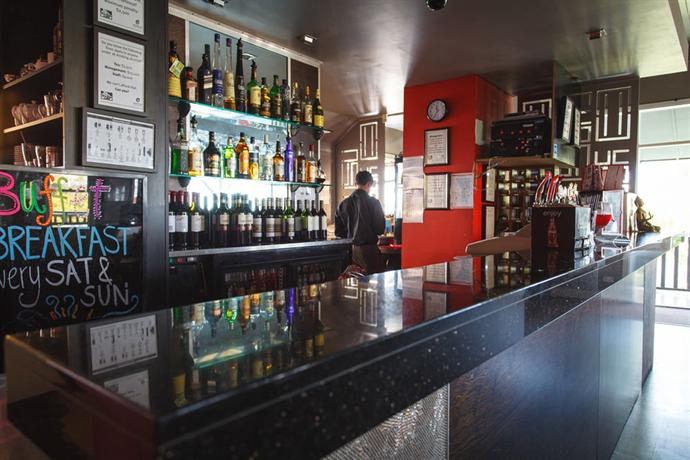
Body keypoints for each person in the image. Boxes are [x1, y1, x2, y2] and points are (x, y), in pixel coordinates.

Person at [335, 170, 385, 274]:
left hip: (349, 251)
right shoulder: (374, 203)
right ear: (369, 184)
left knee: (352, 280)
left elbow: (338, 232)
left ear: (355, 183)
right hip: (369, 252)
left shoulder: (343, 204)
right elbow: (380, 229)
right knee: (373, 281)